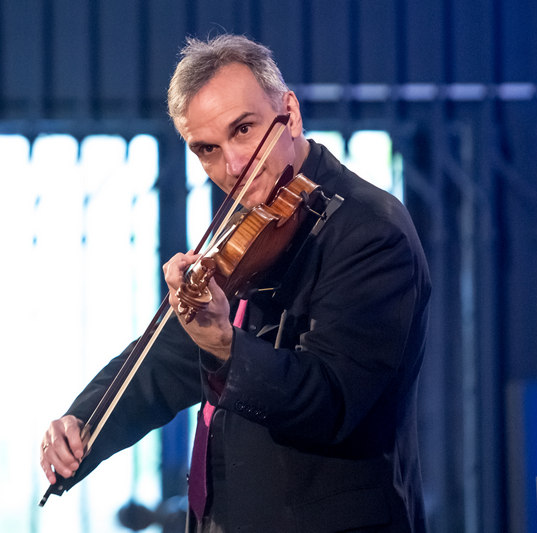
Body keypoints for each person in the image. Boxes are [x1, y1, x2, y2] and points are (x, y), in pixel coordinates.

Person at [40, 34, 431, 532]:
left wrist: (226, 345)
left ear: (289, 112)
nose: (234, 165)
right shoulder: (249, 228)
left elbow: (331, 402)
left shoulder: (371, 230)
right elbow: (170, 358)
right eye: (207, 149)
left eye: (244, 130)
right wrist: (83, 426)